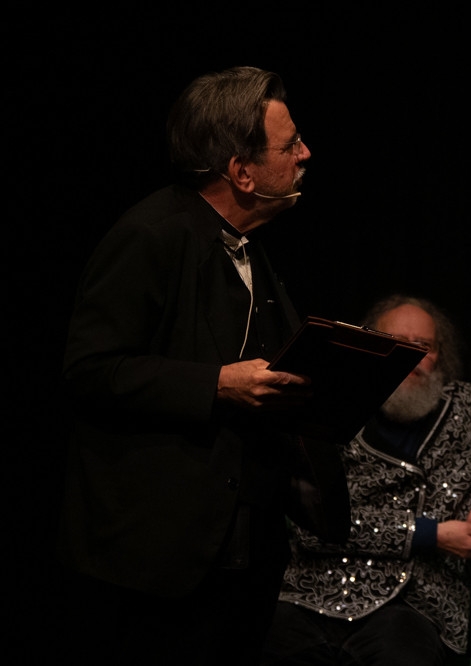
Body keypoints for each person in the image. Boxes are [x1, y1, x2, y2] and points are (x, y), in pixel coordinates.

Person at [58, 66, 351, 666]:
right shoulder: (152, 235)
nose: (305, 154)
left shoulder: (251, 249)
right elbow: (90, 370)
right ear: (242, 172)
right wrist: (216, 384)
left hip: (244, 554)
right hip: (162, 564)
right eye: (290, 144)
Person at [261, 294, 471, 666]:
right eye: (395, 343)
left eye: (424, 346)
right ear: (369, 349)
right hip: (310, 596)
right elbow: (311, 526)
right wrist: (429, 534)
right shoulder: (332, 407)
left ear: (440, 357)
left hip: (417, 607)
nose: (412, 357)